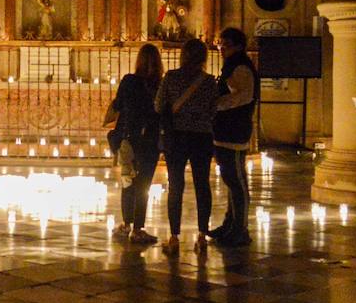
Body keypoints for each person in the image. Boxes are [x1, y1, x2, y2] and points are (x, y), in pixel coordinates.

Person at [155, 38, 219, 256]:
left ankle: (174, 237)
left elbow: (158, 105)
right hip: (201, 137)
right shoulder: (210, 81)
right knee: (203, 185)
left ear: (183, 55)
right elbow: (214, 110)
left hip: (177, 137)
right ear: (204, 57)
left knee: (176, 186)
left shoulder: (171, 78)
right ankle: (202, 235)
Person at [207, 28, 259, 249]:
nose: (221, 49)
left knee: (236, 181)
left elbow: (243, 96)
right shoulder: (232, 66)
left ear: (238, 45)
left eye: (226, 45)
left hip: (234, 130)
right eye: (220, 45)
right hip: (225, 130)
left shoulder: (240, 67)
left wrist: (215, 104)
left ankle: (240, 229)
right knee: (231, 180)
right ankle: (230, 225)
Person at [109, 44, 163, 245]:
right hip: (149, 140)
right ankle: (138, 229)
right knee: (144, 185)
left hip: (129, 138)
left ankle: (126, 224)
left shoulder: (129, 81)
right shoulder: (159, 84)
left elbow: (118, 105)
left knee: (128, 181)